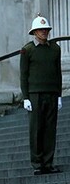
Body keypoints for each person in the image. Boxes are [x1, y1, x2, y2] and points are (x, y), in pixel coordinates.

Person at [20, 14, 63, 175]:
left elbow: (57, 73)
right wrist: (25, 97)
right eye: (41, 30)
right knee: (36, 129)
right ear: (34, 32)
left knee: (50, 129)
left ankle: (48, 162)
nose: (44, 32)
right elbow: (24, 75)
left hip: (51, 93)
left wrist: (59, 95)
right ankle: (37, 163)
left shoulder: (55, 49)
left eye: (46, 29)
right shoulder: (27, 50)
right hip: (35, 94)